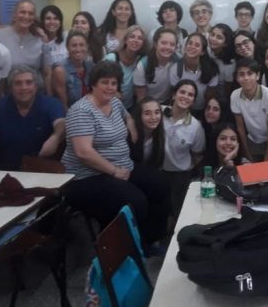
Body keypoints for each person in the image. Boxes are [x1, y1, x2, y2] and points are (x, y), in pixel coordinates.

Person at [62, 61, 170, 246]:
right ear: (93, 84)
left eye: (114, 83)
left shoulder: (114, 102)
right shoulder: (81, 111)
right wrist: (114, 171)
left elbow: (126, 114)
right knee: (135, 200)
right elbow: (83, 152)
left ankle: (149, 241)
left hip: (122, 166)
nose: (110, 87)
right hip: (87, 177)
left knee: (159, 183)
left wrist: (131, 122)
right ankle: (121, 250)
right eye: (104, 82)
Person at [0, 65, 65, 171]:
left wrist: (56, 137)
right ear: (10, 88)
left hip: (41, 170)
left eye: (29, 82)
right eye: (18, 83)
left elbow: (61, 123)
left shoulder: (51, 104)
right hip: (2, 171)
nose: (24, 87)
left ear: (36, 86)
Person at [162, 79, 205, 215]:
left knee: (178, 212)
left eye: (190, 95)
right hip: (158, 171)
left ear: (193, 101)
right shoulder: (158, 112)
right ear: (174, 94)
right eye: (182, 92)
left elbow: (197, 155)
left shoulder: (196, 126)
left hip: (180, 176)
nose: (185, 97)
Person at [230, 58, 268, 161]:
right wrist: (247, 154)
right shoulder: (235, 95)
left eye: (250, 73)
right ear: (237, 78)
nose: (246, 78)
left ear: (257, 76)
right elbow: (240, 128)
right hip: (253, 140)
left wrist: (267, 159)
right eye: (241, 74)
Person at [169, 33, 218, 115]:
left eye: (197, 45)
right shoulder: (175, 69)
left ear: (202, 51)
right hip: (182, 108)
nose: (192, 47)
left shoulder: (211, 69)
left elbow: (210, 96)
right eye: (190, 43)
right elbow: (175, 95)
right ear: (185, 47)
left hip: (202, 110)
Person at [0, 0, 44, 79]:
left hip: (33, 85)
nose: (26, 16)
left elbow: (45, 71)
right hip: (6, 85)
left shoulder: (39, 39)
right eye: (22, 12)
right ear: (14, 15)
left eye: (30, 13)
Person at [105, 25, 149, 111]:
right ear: (125, 40)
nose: (135, 40)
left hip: (130, 107)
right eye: (132, 37)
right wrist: (112, 91)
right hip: (109, 105)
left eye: (140, 38)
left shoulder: (142, 61)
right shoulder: (112, 59)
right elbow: (97, 81)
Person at [52, 30, 94, 111]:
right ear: (67, 48)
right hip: (72, 113)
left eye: (81, 45)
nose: (78, 49)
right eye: (74, 45)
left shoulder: (91, 66)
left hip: (91, 110)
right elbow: (63, 106)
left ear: (87, 46)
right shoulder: (60, 70)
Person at [133, 27, 178, 104]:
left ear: (176, 47)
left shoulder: (178, 62)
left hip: (168, 102)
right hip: (148, 103)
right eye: (163, 43)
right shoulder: (143, 65)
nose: (168, 47)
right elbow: (141, 97)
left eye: (172, 44)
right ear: (155, 44)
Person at [129, 96, 165, 168]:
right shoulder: (130, 135)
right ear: (139, 116)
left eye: (157, 112)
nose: (153, 117)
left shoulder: (160, 134)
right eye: (147, 113)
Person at [39, 5, 68, 92]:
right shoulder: (37, 41)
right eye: (48, 18)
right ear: (42, 21)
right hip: (46, 86)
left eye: (56, 18)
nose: (52, 22)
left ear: (60, 22)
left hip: (68, 84)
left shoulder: (67, 37)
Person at [208, 23, 236, 98]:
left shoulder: (229, 63)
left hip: (220, 97)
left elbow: (227, 89)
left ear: (225, 43)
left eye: (219, 37)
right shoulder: (206, 50)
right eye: (212, 34)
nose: (213, 39)